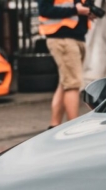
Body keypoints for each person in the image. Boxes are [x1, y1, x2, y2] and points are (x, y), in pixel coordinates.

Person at [38, 0, 96, 128]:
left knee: (65, 82)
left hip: (76, 38)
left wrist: (88, 12)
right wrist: (75, 10)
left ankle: (54, 125)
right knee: (72, 84)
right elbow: (44, 9)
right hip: (63, 39)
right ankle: (73, 127)